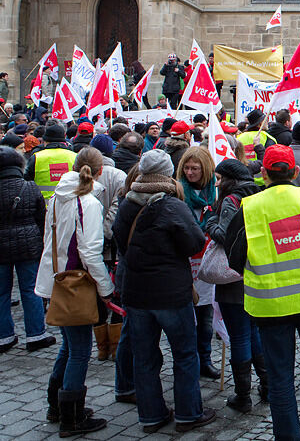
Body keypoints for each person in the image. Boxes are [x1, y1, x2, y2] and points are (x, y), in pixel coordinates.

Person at [223, 145, 300, 440]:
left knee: (280, 378)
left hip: (271, 305)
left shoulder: (250, 207)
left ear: (263, 173)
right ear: (296, 172)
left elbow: (234, 257)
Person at [112, 149, 215, 433]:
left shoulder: (127, 203)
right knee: (184, 354)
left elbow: (119, 242)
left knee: (144, 356)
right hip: (171, 293)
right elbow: (195, 242)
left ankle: (151, 415)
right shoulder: (172, 205)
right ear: (168, 173)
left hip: (136, 292)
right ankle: (188, 413)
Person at [34, 147, 115, 436]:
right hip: (74, 283)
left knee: (69, 345)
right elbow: (91, 252)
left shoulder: (57, 195)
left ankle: (56, 404)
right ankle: (72, 416)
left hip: (55, 278)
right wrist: (106, 287)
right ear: (100, 171)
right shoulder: (88, 202)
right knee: (80, 350)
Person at [203, 159, 267, 414]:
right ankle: (267, 384)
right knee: (254, 331)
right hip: (256, 272)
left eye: (219, 179)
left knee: (240, 335)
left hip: (233, 275)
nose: (216, 183)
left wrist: (210, 223)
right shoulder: (260, 195)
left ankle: (243, 394)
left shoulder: (231, 201)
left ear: (230, 179)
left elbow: (229, 237)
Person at [0, 146, 53, 353]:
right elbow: (41, 215)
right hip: (28, 242)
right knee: (29, 288)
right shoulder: (29, 186)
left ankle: (4, 337)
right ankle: (36, 334)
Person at [176, 146, 220, 380]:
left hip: (207, 261)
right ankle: (189, 360)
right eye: (187, 168)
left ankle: (205, 359)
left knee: (205, 317)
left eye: (195, 168)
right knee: (187, 318)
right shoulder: (178, 193)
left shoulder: (214, 193)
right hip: (185, 262)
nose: (190, 172)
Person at [24, 121, 77, 200]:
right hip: (69, 204)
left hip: (43, 206)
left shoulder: (36, 157)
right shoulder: (74, 156)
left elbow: (27, 182)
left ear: (45, 141)